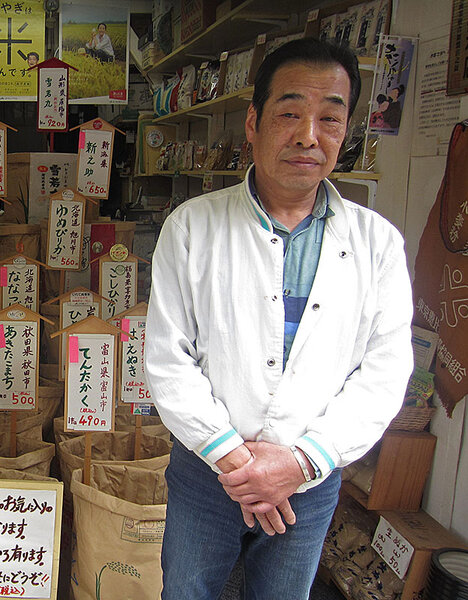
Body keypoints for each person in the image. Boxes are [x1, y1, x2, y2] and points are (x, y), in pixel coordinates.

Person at [145, 38, 412, 600]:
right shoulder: (192, 226)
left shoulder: (377, 243)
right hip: (206, 469)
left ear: (345, 130)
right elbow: (168, 359)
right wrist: (241, 464)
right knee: (187, 593)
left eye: (329, 119)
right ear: (253, 121)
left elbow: (384, 372)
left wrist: (299, 462)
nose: (308, 136)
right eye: (289, 113)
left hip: (308, 479)